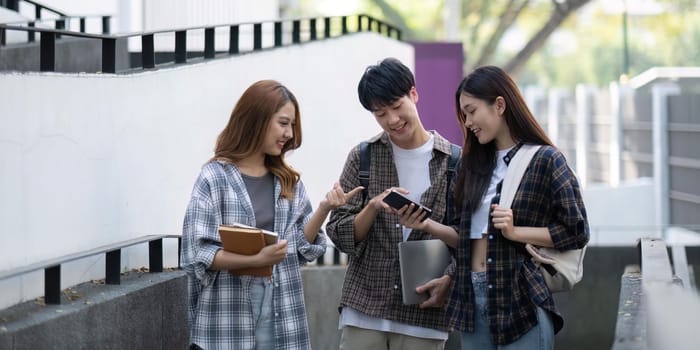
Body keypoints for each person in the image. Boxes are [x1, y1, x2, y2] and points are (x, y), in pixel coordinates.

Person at [181, 80, 363, 350]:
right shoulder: (213, 178)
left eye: (292, 125)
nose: (289, 133)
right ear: (257, 119)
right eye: (283, 123)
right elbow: (200, 253)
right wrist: (257, 259)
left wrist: (325, 208)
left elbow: (300, 247)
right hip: (227, 322)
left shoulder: (288, 181)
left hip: (283, 317)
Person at [430, 65, 589, 349]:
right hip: (472, 301)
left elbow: (576, 231)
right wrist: (427, 226)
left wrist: (517, 232)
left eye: (471, 111)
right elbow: (464, 239)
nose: (467, 122)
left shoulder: (546, 160)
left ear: (499, 105)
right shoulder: (471, 166)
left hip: (520, 300)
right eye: (463, 115)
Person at [325, 57, 460, 350]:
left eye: (397, 107)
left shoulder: (454, 162)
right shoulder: (363, 157)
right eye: (380, 113)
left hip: (425, 316)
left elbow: (472, 238)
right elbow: (338, 233)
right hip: (364, 308)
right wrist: (372, 207)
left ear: (414, 94)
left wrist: (450, 278)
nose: (392, 120)